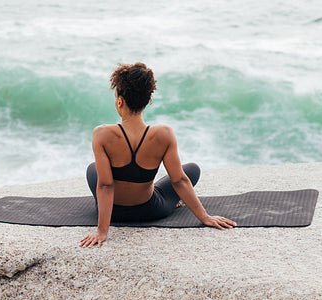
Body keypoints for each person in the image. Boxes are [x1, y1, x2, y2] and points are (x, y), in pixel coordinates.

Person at [80, 63, 236, 248]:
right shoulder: (163, 134)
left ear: (120, 101)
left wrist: (102, 231)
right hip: (150, 210)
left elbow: (105, 185)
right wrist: (205, 217)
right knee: (192, 169)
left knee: (93, 169)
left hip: (113, 212)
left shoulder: (102, 134)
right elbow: (180, 181)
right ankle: (171, 200)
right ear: (148, 101)